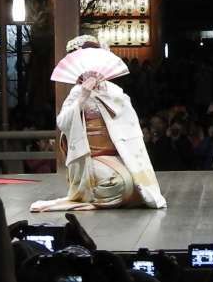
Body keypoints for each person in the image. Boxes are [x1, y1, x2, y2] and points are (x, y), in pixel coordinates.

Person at [30, 35, 166, 211]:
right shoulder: (77, 93)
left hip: (116, 154)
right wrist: (82, 98)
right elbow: (62, 123)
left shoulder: (115, 91)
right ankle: (92, 194)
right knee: (119, 183)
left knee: (136, 184)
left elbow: (130, 125)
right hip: (90, 157)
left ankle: (102, 193)